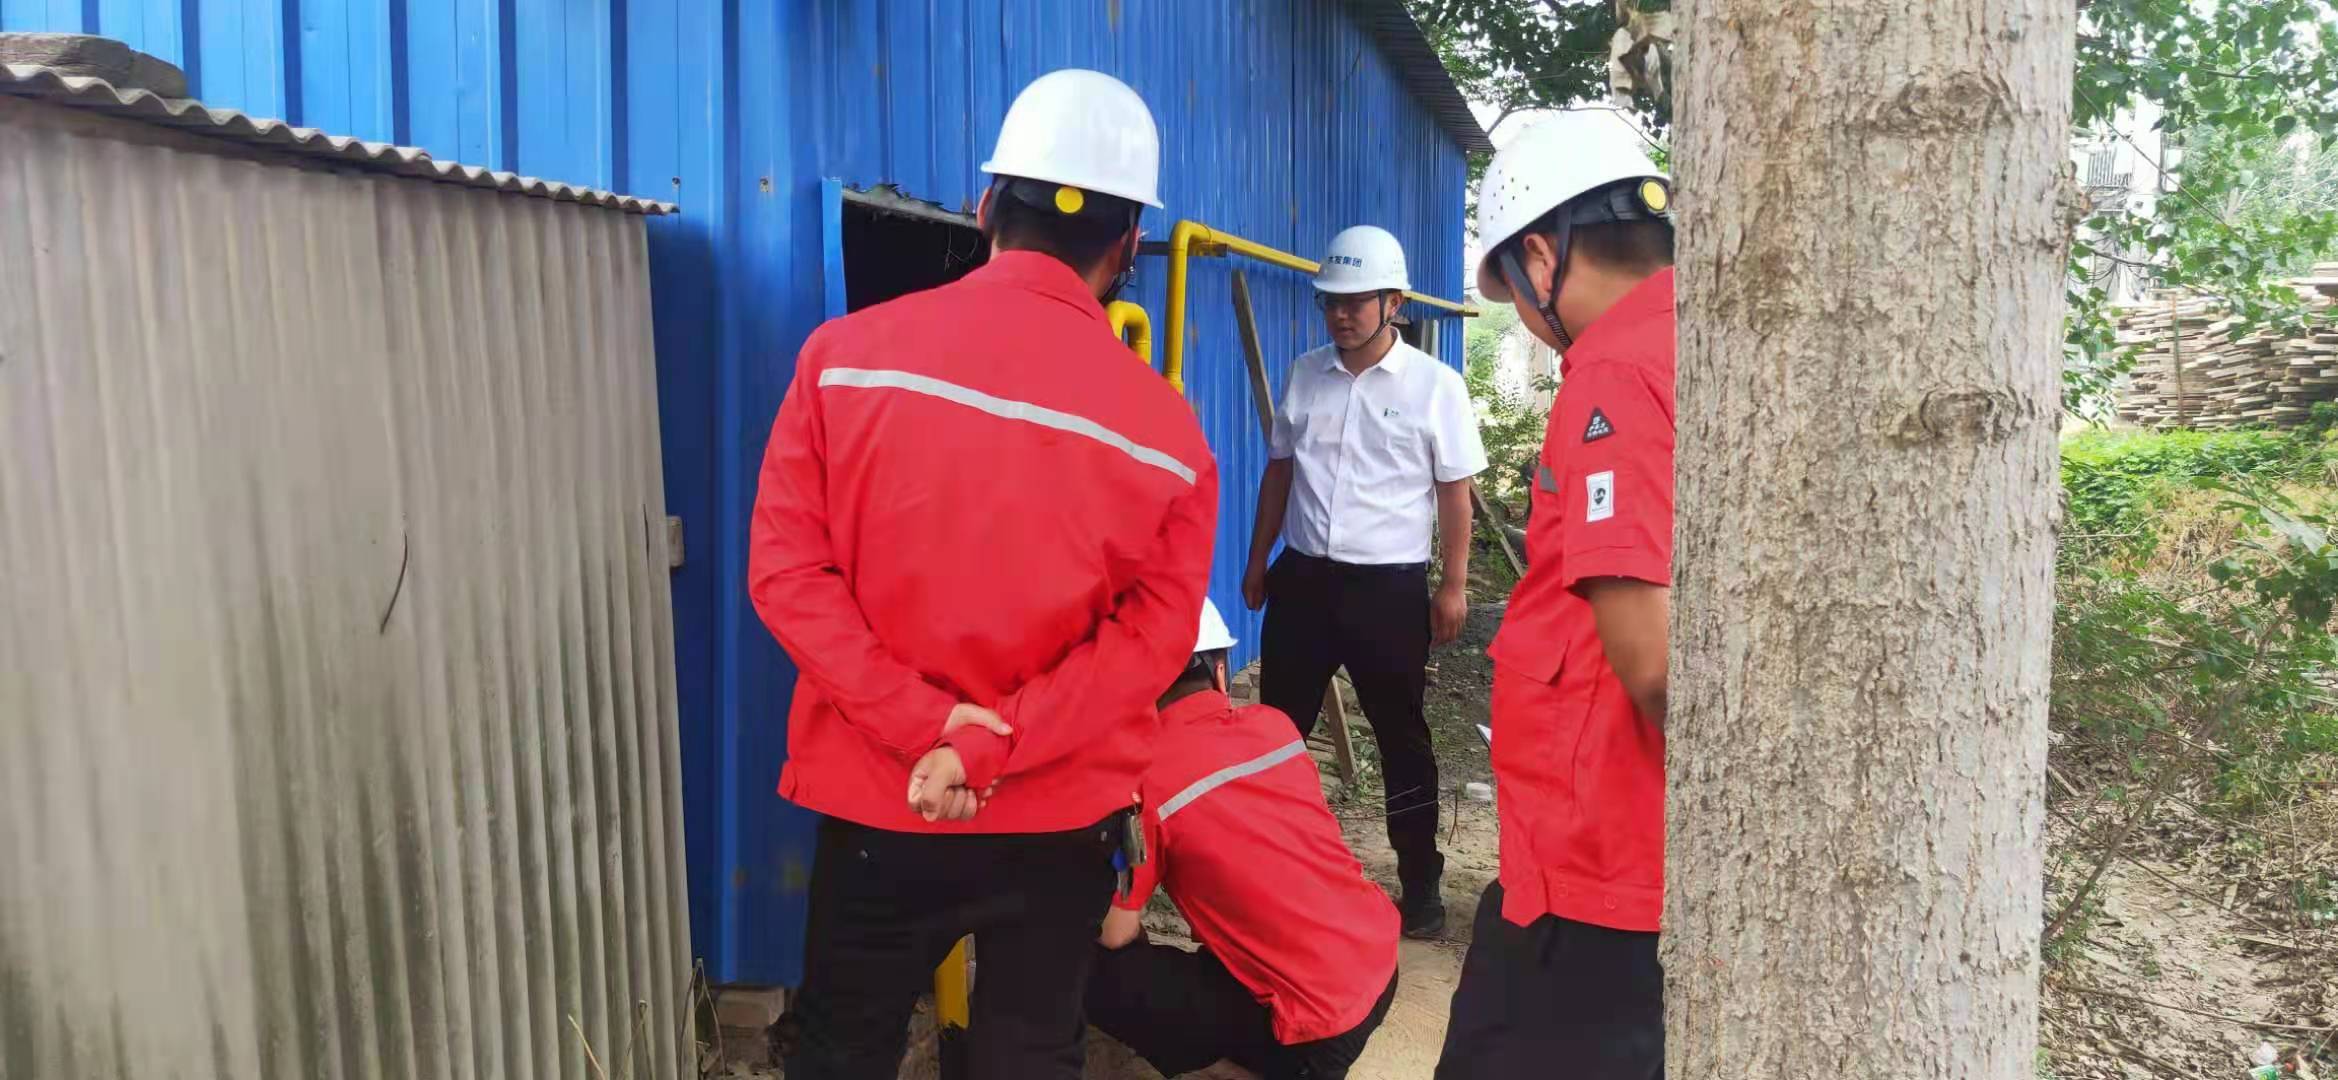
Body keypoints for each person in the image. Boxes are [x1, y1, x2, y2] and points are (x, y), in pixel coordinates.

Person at [747, 68, 1217, 1080]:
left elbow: (788, 575)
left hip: (884, 796)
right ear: (1131, 243)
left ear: (985, 202)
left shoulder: (842, 359)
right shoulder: (1170, 436)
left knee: (842, 1047)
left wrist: (930, 728)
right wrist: (999, 742)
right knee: (1029, 1053)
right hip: (1056, 812)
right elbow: (1153, 640)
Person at [1432, 111, 1675, 1079]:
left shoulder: (1614, 372)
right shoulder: (1708, 346)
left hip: (1594, 874)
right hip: (1620, 859)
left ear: (1542, 256)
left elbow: (1654, 666)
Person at [1240, 223, 1488, 938]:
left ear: (1394, 303)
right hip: (1304, 585)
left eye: (1356, 301)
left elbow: (1454, 492)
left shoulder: (1435, 387)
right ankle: (1274, 877)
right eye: (1331, 302)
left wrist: (1453, 585)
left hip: (1387, 593)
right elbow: (1280, 474)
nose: (1341, 314)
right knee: (1277, 736)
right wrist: (1257, 562)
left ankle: (1420, 885)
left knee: (1401, 738)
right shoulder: (1305, 374)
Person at [1085, 599, 1401, 1080]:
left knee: (1095, 970)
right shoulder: (1275, 726)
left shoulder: (1144, 779)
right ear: (1219, 670)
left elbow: (1114, 934)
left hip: (1314, 1032)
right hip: (1378, 964)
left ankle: (1234, 1070)